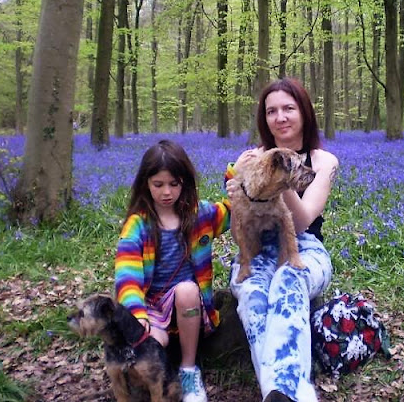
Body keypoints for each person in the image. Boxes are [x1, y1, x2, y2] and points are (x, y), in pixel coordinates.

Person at [225, 77, 339, 402]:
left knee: (288, 282)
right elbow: (238, 215)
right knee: (252, 294)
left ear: (304, 112)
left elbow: (302, 222)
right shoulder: (252, 160)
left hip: (306, 248)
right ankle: (283, 395)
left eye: (288, 108)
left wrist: (280, 179)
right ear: (264, 118)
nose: (280, 117)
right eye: (271, 110)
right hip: (259, 248)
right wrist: (238, 187)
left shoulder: (323, 162)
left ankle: (290, 393)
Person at [115, 139, 231, 402]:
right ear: (145, 183)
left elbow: (231, 211)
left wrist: (237, 173)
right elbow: (127, 275)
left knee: (188, 290)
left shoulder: (199, 215)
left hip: (186, 305)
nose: (166, 192)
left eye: (174, 184)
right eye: (158, 185)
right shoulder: (138, 225)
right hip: (150, 306)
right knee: (155, 344)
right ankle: (156, 384)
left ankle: (189, 369)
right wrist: (136, 313)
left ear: (184, 183)